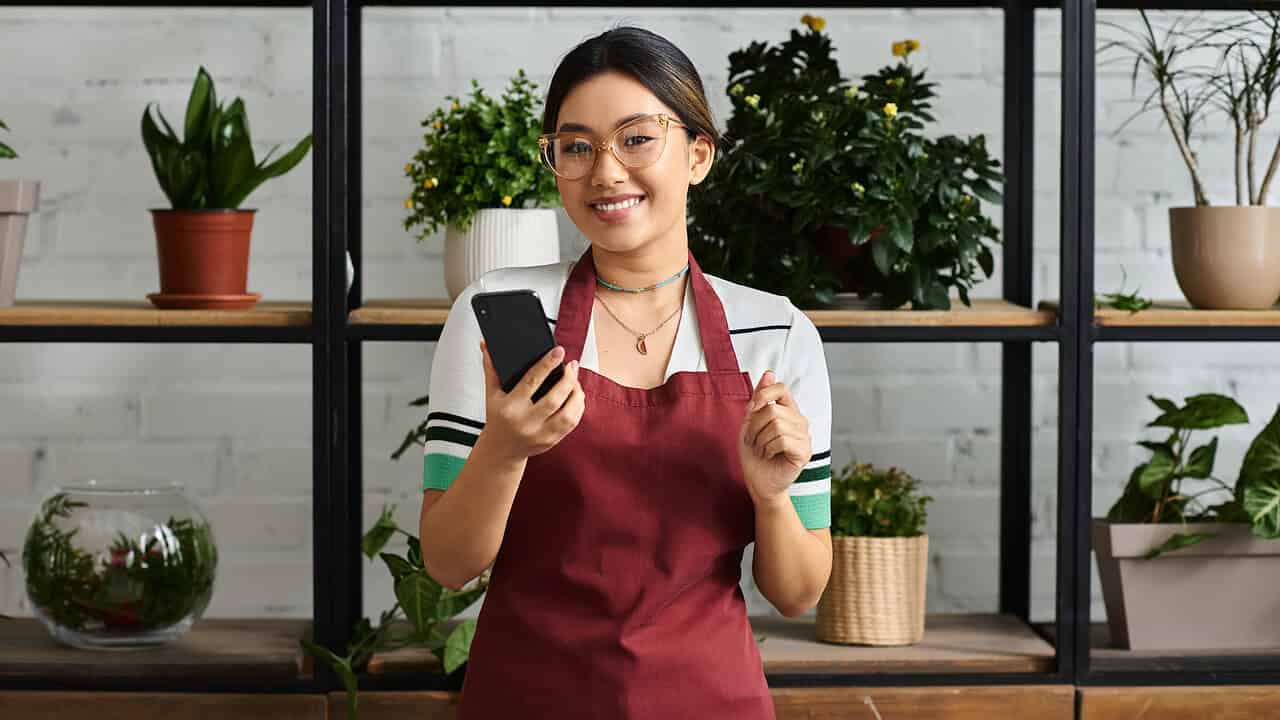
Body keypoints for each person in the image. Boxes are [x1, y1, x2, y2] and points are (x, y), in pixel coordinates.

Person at [417, 25, 834, 719]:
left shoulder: (777, 334)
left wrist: (770, 496)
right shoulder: (501, 315)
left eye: (637, 138)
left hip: (710, 702)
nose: (605, 172)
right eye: (576, 147)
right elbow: (448, 563)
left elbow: (798, 593)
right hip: (528, 700)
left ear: (698, 154)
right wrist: (504, 447)